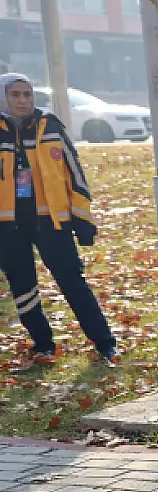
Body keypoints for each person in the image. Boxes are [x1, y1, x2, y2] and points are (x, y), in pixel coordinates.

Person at [0, 74, 117, 366]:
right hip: (8, 227)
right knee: (23, 288)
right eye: (15, 94)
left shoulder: (50, 126)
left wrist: (82, 217)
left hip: (52, 222)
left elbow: (75, 174)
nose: (23, 100)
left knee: (73, 282)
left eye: (27, 94)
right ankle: (43, 345)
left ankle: (105, 343)